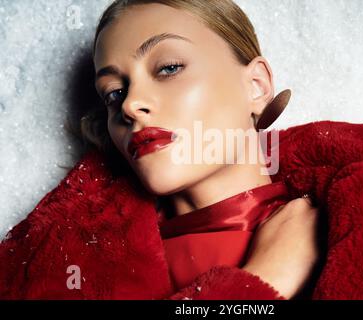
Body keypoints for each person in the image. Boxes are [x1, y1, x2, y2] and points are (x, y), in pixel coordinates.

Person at [87, 0, 320, 299]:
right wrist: (269, 277)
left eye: (169, 68)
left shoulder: (357, 221)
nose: (130, 105)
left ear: (256, 86)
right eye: (114, 93)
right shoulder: (91, 261)